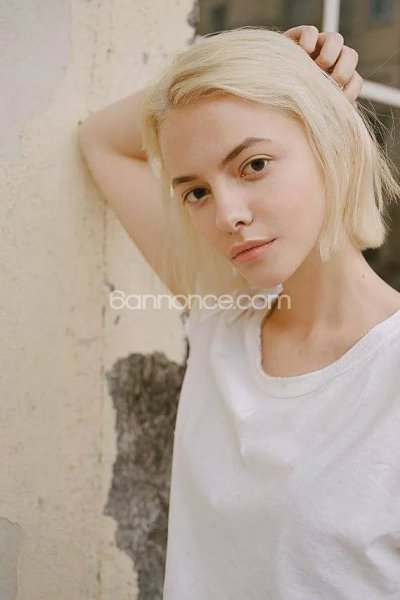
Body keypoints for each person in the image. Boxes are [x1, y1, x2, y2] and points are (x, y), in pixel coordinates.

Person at [78, 25, 400, 600]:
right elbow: (100, 139)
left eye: (254, 165)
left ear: (335, 146)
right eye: (196, 192)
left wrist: (281, 72)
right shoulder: (223, 316)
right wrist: (267, 58)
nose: (227, 215)